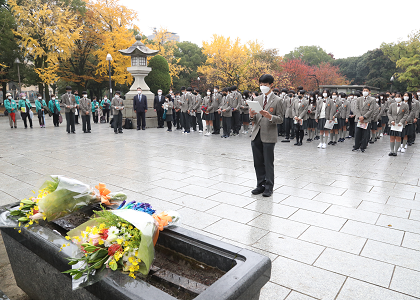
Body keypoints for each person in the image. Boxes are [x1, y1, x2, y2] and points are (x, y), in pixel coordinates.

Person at [249, 74, 284, 197]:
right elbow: (253, 118)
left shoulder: (278, 100)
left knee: (268, 162)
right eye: (261, 84)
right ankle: (260, 185)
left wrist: (270, 117)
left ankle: (269, 187)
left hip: (269, 134)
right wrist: (252, 115)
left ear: (271, 85)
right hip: (256, 134)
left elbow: (281, 119)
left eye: (265, 85)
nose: (262, 87)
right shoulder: (257, 99)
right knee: (257, 162)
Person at [353, 87, 375, 152]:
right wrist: (359, 116)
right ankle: (356, 146)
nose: (365, 92)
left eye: (366, 90)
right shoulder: (359, 99)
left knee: (365, 134)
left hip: (366, 119)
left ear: (369, 92)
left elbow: (371, 110)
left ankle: (363, 146)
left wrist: (364, 117)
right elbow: (356, 108)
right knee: (357, 133)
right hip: (358, 119)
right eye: (364, 90)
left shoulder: (372, 99)